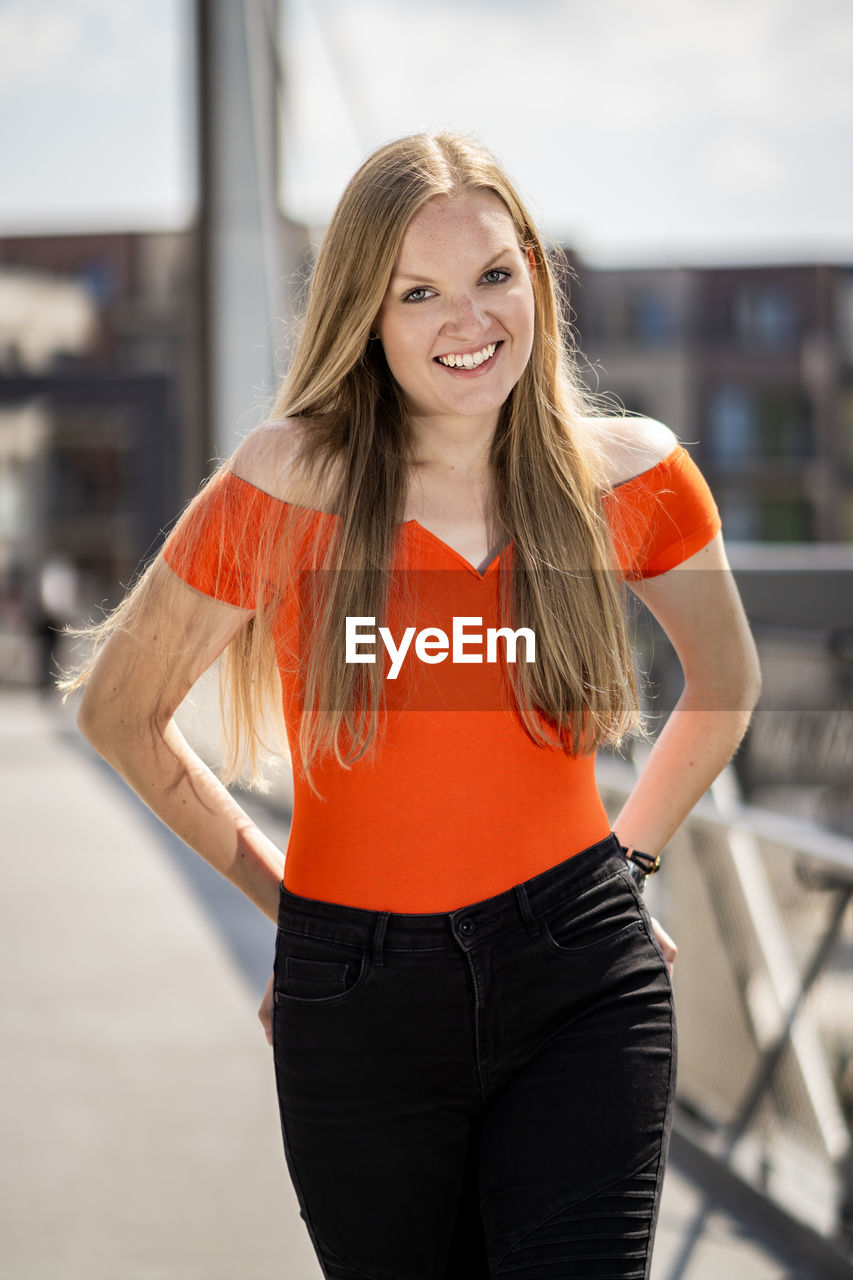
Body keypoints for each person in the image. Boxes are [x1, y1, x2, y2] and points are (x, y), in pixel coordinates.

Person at [68, 132, 761, 1279]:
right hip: (357, 1003)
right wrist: (290, 904)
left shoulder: (630, 475)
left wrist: (625, 866)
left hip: (580, 978)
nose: (467, 319)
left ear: (535, 273)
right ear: (368, 316)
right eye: (419, 292)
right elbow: (119, 709)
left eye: (494, 274)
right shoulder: (288, 478)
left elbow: (725, 684)